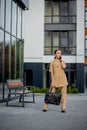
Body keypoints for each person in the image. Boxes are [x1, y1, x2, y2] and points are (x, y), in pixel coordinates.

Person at [43, 49, 68, 113]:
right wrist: (52, 81)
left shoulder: (62, 61)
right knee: (50, 94)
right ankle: (45, 107)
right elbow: (51, 73)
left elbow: (64, 67)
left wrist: (61, 61)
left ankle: (63, 108)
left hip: (63, 80)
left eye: (60, 53)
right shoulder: (52, 62)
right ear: (55, 54)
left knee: (64, 95)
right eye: (58, 53)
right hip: (55, 80)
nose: (59, 54)